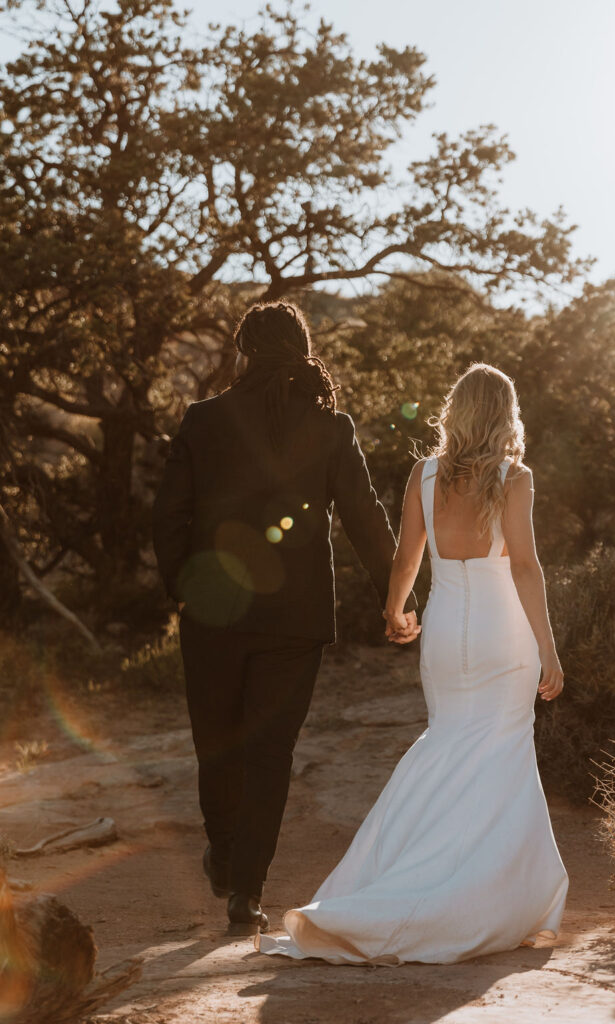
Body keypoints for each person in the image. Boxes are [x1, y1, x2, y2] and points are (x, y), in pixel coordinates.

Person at [259, 362, 569, 965]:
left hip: (446, 631)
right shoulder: (514, 477)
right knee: (500, 756)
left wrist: (396, 611)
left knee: (445, 744)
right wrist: (550, 650)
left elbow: (407, 553)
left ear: (456, 411)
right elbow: (525, 567)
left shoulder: (425, 475)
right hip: (502, 636)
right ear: (504, 415)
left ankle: (403, 879)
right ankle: (487, 899)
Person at [151, 301, 418, 936]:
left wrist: (180, 593)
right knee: (271, 753)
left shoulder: (202, 420)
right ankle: (246, 890)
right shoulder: (330, 427)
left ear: (243, 350)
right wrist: (396, 600)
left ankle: (225, 856)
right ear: (300, 351)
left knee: (216, 743)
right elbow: (363, 517)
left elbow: (168, 518)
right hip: (295, 619)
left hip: (211, 613)